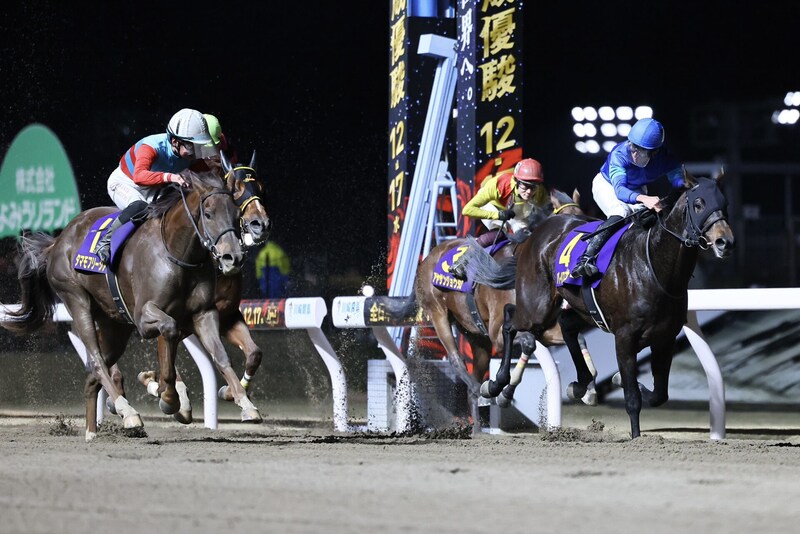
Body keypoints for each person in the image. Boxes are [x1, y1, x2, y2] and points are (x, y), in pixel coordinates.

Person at [570, 117, 685, 279]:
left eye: (640, 150)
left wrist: (680, 185)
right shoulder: (620, 154)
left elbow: (678, 177)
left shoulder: (665, 158)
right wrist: (645, 199)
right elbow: (620, 191)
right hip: (608, 185)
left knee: (648, 218)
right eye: (632, 146)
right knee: (620, 212)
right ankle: (586, 258)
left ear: (655, 153)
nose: (633, 153)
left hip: (636, 188)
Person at [96, 108, 214, 263]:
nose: (196, 153)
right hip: (126, 182)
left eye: (199, 146)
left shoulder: (190, 155)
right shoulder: (151, 147)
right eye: (192, 147)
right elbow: (139, 177)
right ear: (175, 142)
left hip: (153, 187)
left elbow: (210, 177)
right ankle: (104, 241)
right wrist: (171, 177)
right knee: (140, 207)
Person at [461, 157, 550, 247]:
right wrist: (498, 215)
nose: (529, 192)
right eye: (525, 186)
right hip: (493, 207)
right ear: (516, 181)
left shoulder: (540, 191)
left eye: (533, 187)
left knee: (527, 237)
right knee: (498, 234)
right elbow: (467, 210)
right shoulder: (499, 186)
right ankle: (471, 251)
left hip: (515, 212)